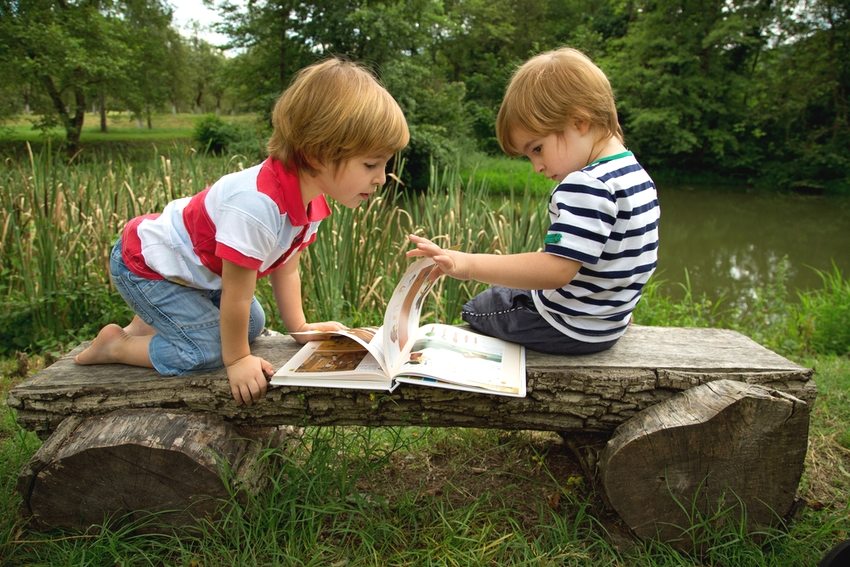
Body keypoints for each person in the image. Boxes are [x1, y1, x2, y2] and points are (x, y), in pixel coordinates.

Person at [75, 57, 410, 405]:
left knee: (252, 324)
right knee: (207, 349)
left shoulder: (312, 203)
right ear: (316, 154)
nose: (381, 178)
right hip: (147, 266)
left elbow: (287, 267)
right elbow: (236, 294)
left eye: (385, 164)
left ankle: (148, 324)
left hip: (192, 273)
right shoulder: (256, 206)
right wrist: (236, 360)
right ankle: (116, 345)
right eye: (370, 164)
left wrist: (300, 328)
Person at [408, 47, 659, 355]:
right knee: (510, 289)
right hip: (608, 326)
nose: (537, 167)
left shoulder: (585, 183)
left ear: (579, 122)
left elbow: (556, 270)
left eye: (537, 149)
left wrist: (467, 264)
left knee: (478, 307)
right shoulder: (635, 175)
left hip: (565, 327)